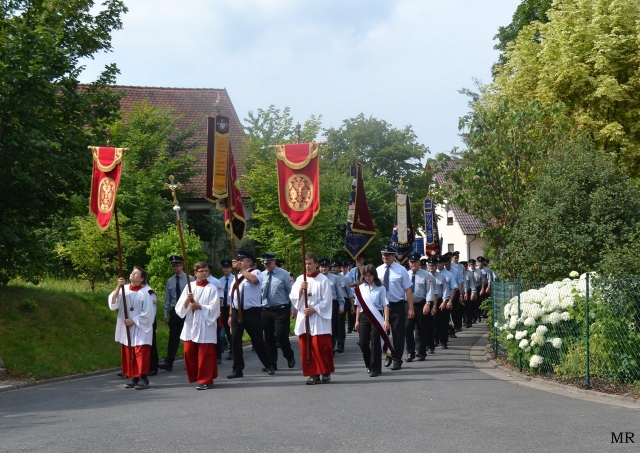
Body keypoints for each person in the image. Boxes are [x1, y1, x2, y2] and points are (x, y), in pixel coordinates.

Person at [227, 250, 274, 379]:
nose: (239, 262)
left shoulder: (256, 272)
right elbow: (232, 298)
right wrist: (231, 315)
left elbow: (254, 280)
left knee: (257, 340)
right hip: (237, 311)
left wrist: (241, 270)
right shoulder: (234, 278)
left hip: (251, 311)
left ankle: (268, 365)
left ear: (250, 263)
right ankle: (237, 369)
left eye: (242, 261)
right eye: (238, 260)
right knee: (235, 341)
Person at [289, 252, 334, 385]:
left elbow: (327, 301)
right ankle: (313, 374)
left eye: (309, 263)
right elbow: (294, 298)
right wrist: (300, 290)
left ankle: (325, 371)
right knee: (307, 347)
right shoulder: (299, 279)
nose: (307, 266)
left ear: (316, 264)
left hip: (319, 318)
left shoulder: (323, 280)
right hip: (305, 318)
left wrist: (314, 309)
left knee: (320, 346)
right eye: (305, 263)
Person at [174, 261, 220, 390]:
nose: (204, 273)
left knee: (205, 353)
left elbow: (215, 308)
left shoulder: (212, 288)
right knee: (189, 351)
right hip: (191, 323)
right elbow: (180, 309)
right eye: (201, 271)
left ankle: (204, 379)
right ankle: (196, 375)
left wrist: (199, 306)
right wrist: (188, 300)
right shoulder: (190, 287)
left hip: (205, 324)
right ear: (195, 273)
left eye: (206, 271)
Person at [109, 267, 155, 390]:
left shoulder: (148, 292)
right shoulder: (124, 289)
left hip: (141, 327)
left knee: (141, 352)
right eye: (132, 272)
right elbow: (113, 304)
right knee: (130, 352)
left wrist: (134, 320)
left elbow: (150, 312)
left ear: (141, 278)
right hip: (127, 327)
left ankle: (143, 378)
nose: (132, 274)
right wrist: (118, 287)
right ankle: (134, 377)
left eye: (136, 273)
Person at [376, 245, 415, 370]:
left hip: (397, 305)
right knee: (383, 333)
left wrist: (410, 307)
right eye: (383, 254)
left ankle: (397, 359)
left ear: (394, 256)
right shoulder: (378, 270)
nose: (384, 256)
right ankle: (388, 353)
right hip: (382, 306)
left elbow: (408, 289)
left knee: (398, 334)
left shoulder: (401, 270)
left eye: (387, 254)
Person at [158, 255, 194, 372]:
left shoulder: (190, 279)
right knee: (173, 337)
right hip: (175, 311)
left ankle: (189, 361)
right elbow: (167, 298)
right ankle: (169, 362)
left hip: (187, 309)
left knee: (189, 336)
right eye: (173, 265)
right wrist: (165, 313)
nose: (175, 267)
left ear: (182, 265)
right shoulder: (170, 281)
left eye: (178, 265)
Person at [261, 252, 296, 371]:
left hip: (281, 309)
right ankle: (272, 362)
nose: (267, 265)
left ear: (274, 262)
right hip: (266, 309)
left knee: (280, 334)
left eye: (269, 263)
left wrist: (293, 308)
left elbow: (291, 292)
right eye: (265, 263)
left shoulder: (284, 274)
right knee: (269, 337)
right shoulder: (262, 275)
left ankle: (289, 356)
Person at [354, 264, 389, 377]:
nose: (367, 278)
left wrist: (386, 320)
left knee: (375, 341)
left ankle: (375, 368)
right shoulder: (360, 289)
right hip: (364, 316)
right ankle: (369, 364)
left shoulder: (381, 288)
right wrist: (357, 321)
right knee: (363, 342)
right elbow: (358, 306)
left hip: (376, 315)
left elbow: (385, 305)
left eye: (369, 275)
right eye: (365, 276)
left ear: (374, 276)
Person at [319, 257, 345, 354]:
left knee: (331, 327)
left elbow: (340, 293)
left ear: (329, 267)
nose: (324, 269)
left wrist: (341, 305)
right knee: (321, 327)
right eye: (322, 267)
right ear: (319, 267)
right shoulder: (316, 278)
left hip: (332, 304)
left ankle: (331, 347)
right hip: (319, 305)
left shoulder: (335, 278)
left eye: (325, 267)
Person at [405, 252, 429, 362]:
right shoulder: (405, 274)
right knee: (408, 328)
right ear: (409, 263)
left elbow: (430, 291)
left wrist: (428, 303)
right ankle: (410, 352)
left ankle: (422, 352)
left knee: (421, 329)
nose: (413, 264)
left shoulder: (426, 274)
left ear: (419, 262)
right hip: (408, 304)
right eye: (411, 262)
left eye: (415, 262)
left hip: (420, 304)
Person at [332, 259, 352, 351]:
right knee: (332, 324)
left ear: (340, 268)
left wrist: (352, 305)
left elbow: (349, 293)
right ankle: (332, 345)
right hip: (332, 303)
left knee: (340, 324)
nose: (333, 268)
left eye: (335, 267)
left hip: (342, 302)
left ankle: (340, 345)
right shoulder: (328, 277)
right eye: (332, 267)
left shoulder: (344, 278)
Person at [218, 258, 235, 361]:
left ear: (231, 268)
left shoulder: (235, 279)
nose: (226, 269)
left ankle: (233, 351)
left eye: (228, 267)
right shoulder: (219, 281)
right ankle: (229, 348)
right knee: (224, 330)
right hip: (223, 308)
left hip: (232, 307)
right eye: (224, 267)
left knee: (232, 330)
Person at [143, 283, 159, 376]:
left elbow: (153, 308)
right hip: (136, 321)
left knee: (151, 343)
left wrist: (150, 321)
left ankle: (153, 367)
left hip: (149, 321)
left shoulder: (149, 292)